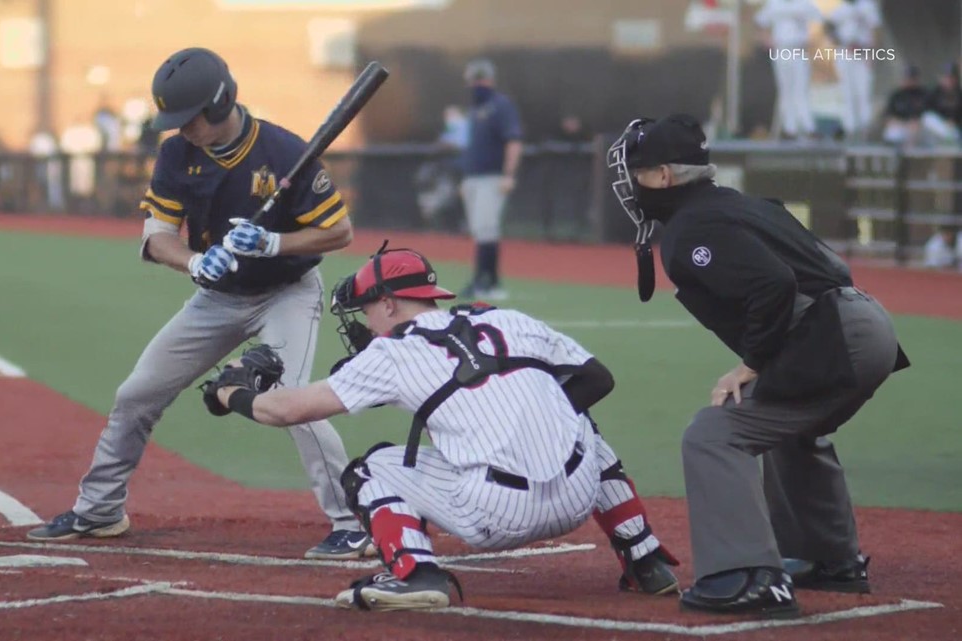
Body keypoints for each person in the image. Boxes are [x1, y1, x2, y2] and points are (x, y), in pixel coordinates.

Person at [28, 47, 376, 561]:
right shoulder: (175, 154)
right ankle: (100, 509)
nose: (181, 129)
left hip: (287, 293)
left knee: (292, 399)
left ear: (219, 105)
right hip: (218, 297)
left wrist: (274, 244)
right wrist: (193, 262)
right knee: (136, 393)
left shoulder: (284, 152)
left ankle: (353, 523)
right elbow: (155, 237)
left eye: (187, 119)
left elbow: (339, 231)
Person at [200, 245, 681, 611]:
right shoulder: (507, 318)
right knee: (577, 421)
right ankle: (645, 558)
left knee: (372, 469)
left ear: (389, 304)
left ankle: (415, 575)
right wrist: (531, 417)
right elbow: (598, 378)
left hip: (497, 514)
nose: (364, 322)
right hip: (578, 494)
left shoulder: (392, 353)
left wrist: (231, 394)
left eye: (367, 309)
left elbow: (288, 411)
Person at [607, 114, 910, 618]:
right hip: (860, 320)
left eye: (637, 173)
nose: (630, 185)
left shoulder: (689, 230)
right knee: (787, 424)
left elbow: (774, 284)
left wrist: (752, 363)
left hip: (838, 334)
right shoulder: (737, 205)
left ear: (662, 177)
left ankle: (748, 575)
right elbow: (821, 266)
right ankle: (830, 559)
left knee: (715, 433)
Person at [459, 59, 523, 300]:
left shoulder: (500, 106)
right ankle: (490, 280)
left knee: (487, 228)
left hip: (492, 177)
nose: (476, 85)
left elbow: (513, 141)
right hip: (474, 177)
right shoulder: (475, 109)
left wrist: (508, 175)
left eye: (479, 79)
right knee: (480, 230)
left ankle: (483, 280)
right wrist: (465, 179)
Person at [756, 0, 822, 140]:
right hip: (782, 49)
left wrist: (812, 41)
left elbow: (819, 21)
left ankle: (808, 126)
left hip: (798, 49)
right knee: (785, 90)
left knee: (801, 89)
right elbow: (760, 21)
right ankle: (789, 128)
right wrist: (767, 40)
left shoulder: (803, 4)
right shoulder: (774, 4)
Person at [825, 0, 881, 141]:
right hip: (845, 52)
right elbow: (828, 26)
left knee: (863, 92)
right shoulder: (841, 8)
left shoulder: (867, 6)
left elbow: (876, 30)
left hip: (862, 53)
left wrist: (872, 53)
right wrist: (840, 41)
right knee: (847, 92)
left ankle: (865, 129)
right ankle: (850, 129)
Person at [881, 65, 928, 146]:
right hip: (901, 126)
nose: (908, 81)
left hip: (920, 130)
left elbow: (927, 115)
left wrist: (916, 122)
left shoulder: (923, 94)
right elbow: (888, 116)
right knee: (891, 134)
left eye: (911, 78)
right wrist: (898, 123)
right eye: (906, 78)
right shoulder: (897, 95)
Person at [923, 63, 962, 145]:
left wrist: (955, 121)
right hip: (941, 128)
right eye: (946, 77)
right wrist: (945, 121)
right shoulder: (934, 94)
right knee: (927, 118)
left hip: (956, 130)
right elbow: (927, 113)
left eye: (951, 77)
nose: (949, 80)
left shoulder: (959, 93)